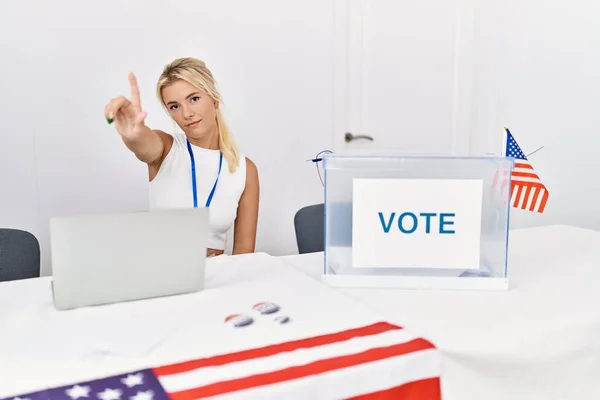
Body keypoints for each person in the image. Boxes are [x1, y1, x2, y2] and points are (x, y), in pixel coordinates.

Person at [103, 57, 259, 257]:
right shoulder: (166, 148)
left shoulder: (245, 170)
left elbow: (244, 254)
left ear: (214, 99)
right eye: (174, 106)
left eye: (194, 99)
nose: (186, 113)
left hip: (218, 279)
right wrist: (134, 136)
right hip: (163, 276)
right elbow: (144, 144)